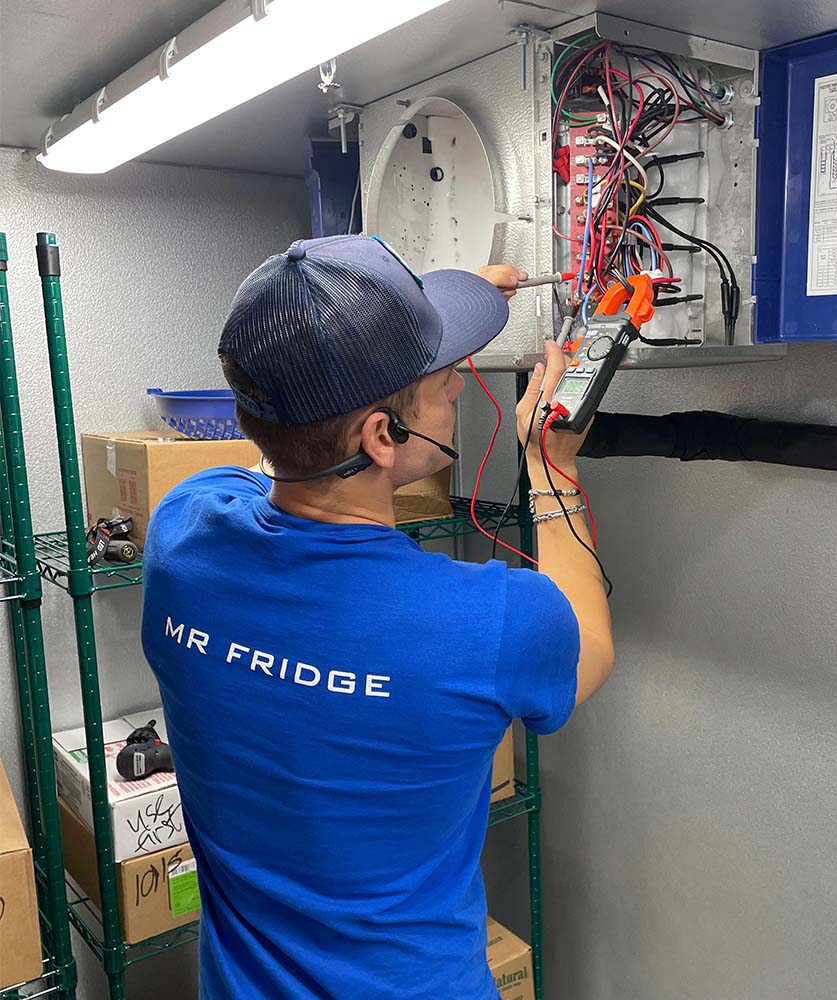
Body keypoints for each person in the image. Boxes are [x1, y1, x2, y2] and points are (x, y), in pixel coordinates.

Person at [140, 235, 614, 1000]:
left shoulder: (180, 537)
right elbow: (589, 644)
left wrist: (380, 323)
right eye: (444, 375)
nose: (461, 379)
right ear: (381, 436)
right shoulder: (494, 624)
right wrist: (548, 462)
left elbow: (279, 446)